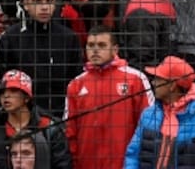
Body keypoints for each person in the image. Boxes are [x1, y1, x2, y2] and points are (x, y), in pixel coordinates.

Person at [64, 26, 152, 169]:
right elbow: (70, 131)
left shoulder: (135, 79)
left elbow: (148, 126)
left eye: (102, 45)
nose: (95, 50)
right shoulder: (75, 85)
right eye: (91, 45)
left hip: (125, 164)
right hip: (86, 163)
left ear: (115, 50)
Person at [0, 0, 84, 119]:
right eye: (37, 1)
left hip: (59, 123)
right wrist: (2, 121)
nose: (44, 7)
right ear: (25, 4)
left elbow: (76, 83)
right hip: (19, 123)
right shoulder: (9, 39)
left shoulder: (69, 39)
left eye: (49, 1)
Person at [125, 56, 195, 169]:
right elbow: (132, 156)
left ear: (172, 85)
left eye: (158, 79)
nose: (153, 83)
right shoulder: (148, 114)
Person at [0, 70, 72, 169]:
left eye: (13, 91)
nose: (6, 96)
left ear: (27, 97)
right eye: (2, 92)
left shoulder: (49, 127)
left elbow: (62, 164)